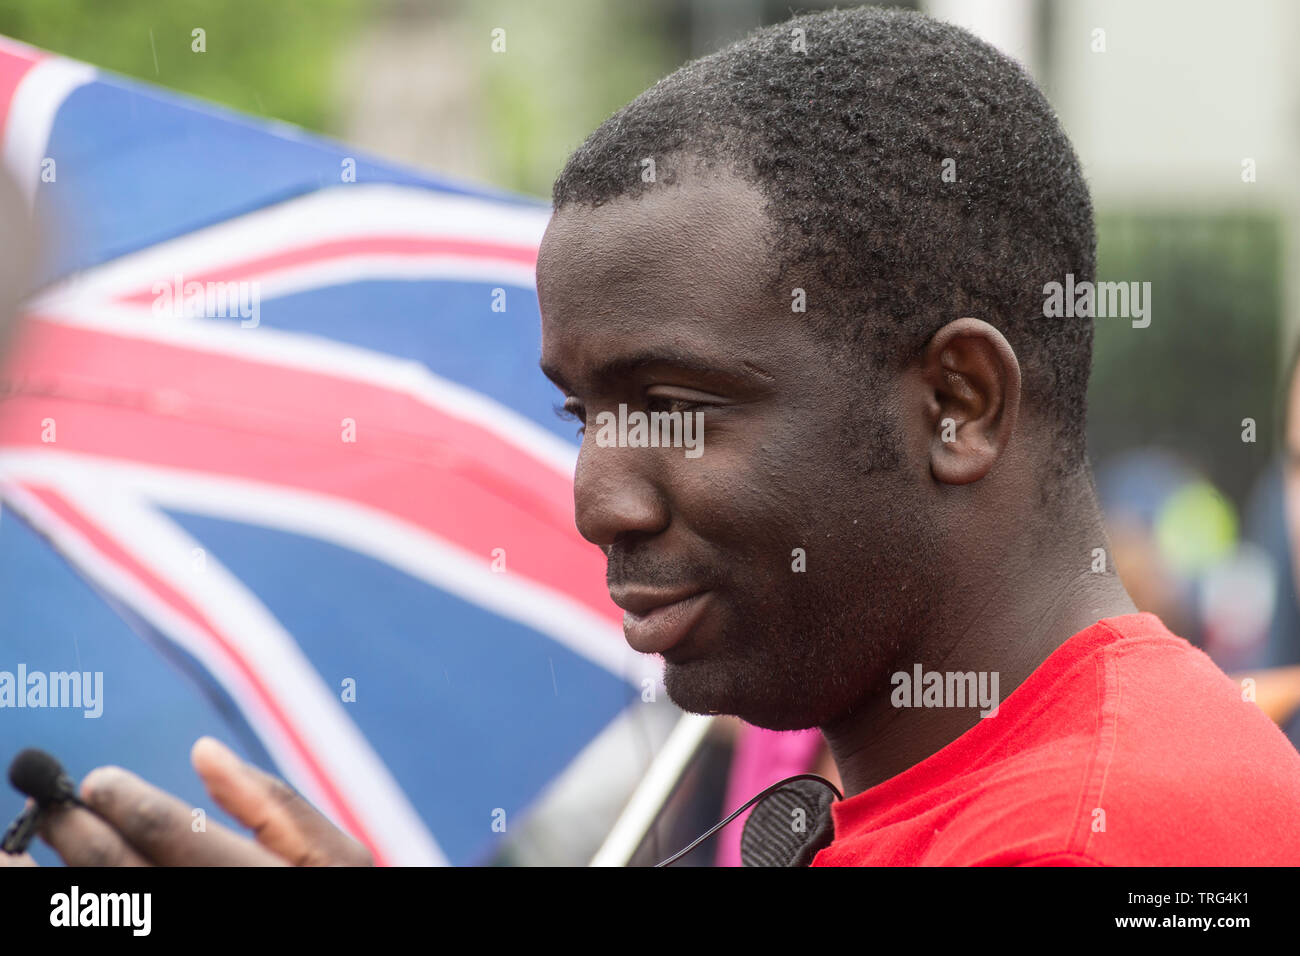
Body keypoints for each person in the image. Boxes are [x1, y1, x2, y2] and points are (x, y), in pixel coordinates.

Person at [11, 6, 1300, 867]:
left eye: (676, 409)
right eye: (582, 413)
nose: (598, 502)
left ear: (958, 404)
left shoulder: (1114, 835)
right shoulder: (934, 792)